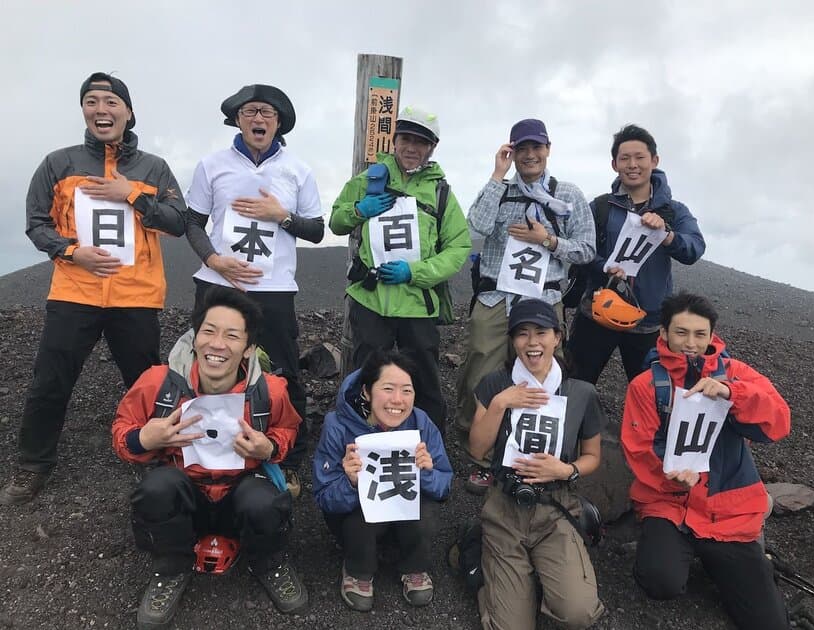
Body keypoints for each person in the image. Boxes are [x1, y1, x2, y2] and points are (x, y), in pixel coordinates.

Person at [0, 72, 186, 506]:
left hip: (136, 295)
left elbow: (179, 222)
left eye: (111, 101)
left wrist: (133, 195)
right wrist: (70, 252)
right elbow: (36, 222)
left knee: (146, 383)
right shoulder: (58, 163)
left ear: (128, 111)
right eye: (91, 101)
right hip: (74, 291)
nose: (101, 109)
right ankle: (33, 465)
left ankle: (157, 454)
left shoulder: (153, 168)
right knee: (50, 381)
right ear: (83, 110)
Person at [112, 287, 307, 628]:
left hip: (241, 493)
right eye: (208, 331)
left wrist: (269, 448)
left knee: (265, 501)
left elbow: (288, 429)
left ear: (248, 349)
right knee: (157, 487)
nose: (217, 344)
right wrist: (143, 438)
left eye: (232, 336)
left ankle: (268, 560)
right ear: (195, 337)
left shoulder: (270, 391)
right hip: (186, 498)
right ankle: (170, 567)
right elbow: (122, 429)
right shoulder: (159, 384)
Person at [185, 83, 324, 498]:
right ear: (237, 119)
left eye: (267, 113)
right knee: (209, 362)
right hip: (217, 284)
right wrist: (213, 259)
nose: (258, 119)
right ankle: (202, 452)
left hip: (275, 287)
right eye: (250, 112)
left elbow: (317, 230)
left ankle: (289, 457)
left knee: (282, 369)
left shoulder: (298, 171)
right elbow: (192, 221)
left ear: (279, 122)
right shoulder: (212, 164)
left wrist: (282, 216)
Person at [621, 292, 790, 629]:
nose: (690, 343)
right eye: (681, 332)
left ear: (712, 336)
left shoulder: (737, 373)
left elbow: (779, 422)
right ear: (664, 333)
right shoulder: (646, 385)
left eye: (700, 334)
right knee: (660, 582)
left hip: (727, 508)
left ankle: (734, 556)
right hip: (668, 503)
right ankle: (692, 553)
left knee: (769, 622)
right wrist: (672, 478)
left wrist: (733, 393)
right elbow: (638, 448)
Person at [455, 118, 596, 494]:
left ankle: (541, 453)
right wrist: (496, 175)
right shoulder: (499, 188)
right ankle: (481, 453)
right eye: (522, 148)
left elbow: (586, 249)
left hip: (544, 299)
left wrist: (548, 240)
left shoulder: (567, 194)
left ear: (548, 149)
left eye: (537, 147)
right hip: (495, 296)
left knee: (543, 375)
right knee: (481, 369)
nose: (530, 155)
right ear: (512, 151)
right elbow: (476, 228)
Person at [330, 106, 471, 435]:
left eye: (421, 142)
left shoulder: (441, 193)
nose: (412, 147)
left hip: (417, 301)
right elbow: (336, 221)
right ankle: (358, 440)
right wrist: (357, 210)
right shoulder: (367, 181)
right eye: (406, 139)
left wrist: (415, 272)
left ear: (432, 148)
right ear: (393, 141)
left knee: (423, 376)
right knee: (367, 374)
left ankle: (426, 446)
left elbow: (458, 247)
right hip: (371, 298)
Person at [468, 299, 605, 630]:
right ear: (512, 341)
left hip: (555, 506)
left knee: (579, 614)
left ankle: (539, 575)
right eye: (522, 334)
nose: (532, 343)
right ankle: (484, 560)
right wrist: (501, 403)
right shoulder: (495, 385)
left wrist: (565, 470)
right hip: (505, 504)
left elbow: (592, 457)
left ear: (557, 337)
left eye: (541, 332)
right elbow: (477, 449)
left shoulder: (582, 393)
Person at [313, 349, 452, 612]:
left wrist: (427, 472)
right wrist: (350, 482)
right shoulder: (338, 426)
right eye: (388, 388)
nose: (397, 400)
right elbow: (323, 497)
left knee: (428, 511)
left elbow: (445, 485)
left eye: (407, 391)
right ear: (366, 391)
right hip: (359, 521)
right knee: (361, 514)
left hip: (404, 516)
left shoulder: (421, 423)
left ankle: (414, 565)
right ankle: (358, 569)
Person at [566, 124, 705, 385]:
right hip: (597, 313)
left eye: (640, 157)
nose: (632, 164)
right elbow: (580, 249)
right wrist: (604, 267)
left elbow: (694, 249)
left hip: (649, 320)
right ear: (614, 164)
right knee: (576, 382)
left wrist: (667, 235)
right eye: (624, 158)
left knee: (652, 393)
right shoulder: (600, 206)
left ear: (654, 160)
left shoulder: (674, 211)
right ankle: (581, 426)